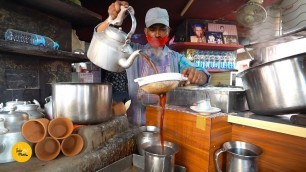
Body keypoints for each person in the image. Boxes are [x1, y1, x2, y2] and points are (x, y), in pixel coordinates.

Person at [96, 1, 210, 125]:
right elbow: (101, 37)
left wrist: (199, 76)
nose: (157, 34)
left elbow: (205, 76)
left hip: (167, 127)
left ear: (168, 31)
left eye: (162, 29)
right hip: (137, 126)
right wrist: (110, 20)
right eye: (152, 29)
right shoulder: (132, 51)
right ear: (145, 32)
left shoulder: (176, 58)